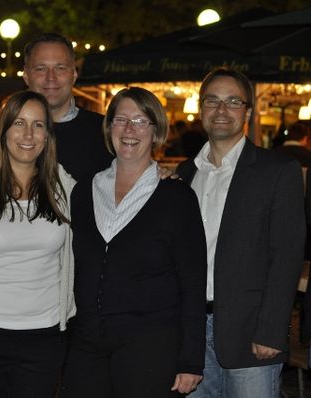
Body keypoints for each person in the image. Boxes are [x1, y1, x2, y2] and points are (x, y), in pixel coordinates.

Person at [61, 87, 207, 397]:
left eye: (141, 121)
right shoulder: (84, 192)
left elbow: (193, 283)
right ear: (109, 128)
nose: (129, 129)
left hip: (151, 347)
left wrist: (191, 360)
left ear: (156, 133)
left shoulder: (177, 197)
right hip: (87, 344)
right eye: (121, 119)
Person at [175, 68, 305, 398]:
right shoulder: (185, 174)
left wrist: (272, 331)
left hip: (250, 335)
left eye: (233, 101)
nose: (222, 110)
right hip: (189, 335)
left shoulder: (276, 171)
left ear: (247, 111)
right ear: (201, 109)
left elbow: (287, 255)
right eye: (212, 101)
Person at [0, 90, 74, 397]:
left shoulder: (65, 187)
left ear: (48, 136)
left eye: (38, 125)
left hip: (45, 336)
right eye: (19, 123)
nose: (28, 134)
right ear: (3, 130)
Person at [0, 33, 112, 181]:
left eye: (60, 68)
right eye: (41, 68)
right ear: (26, 76)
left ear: (74, 75)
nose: (51, 78)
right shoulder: (1, 132)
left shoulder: (105, 132)